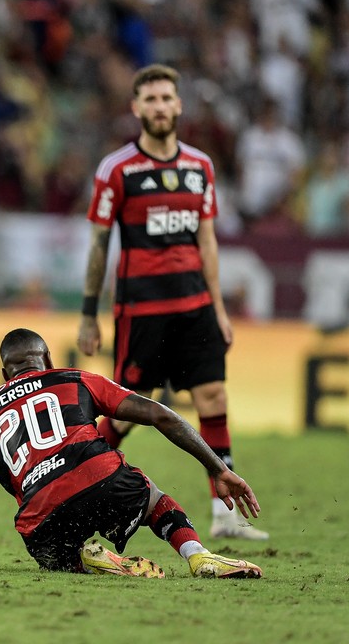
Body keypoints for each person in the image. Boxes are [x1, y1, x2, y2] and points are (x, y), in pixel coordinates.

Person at [0, 328, 264, 579]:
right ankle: (197, 556)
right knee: (153, 498)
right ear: (48, 360)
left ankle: (84, 560)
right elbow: (162, 416)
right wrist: (217, 469)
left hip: (41, 521)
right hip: (103, 481)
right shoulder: (75, 378)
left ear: (5, 374)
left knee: (53, 556)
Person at [76, 63, 268, 540]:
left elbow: (207, 241)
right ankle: (73, 486)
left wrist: (219, 309)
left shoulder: (199, 167)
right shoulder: (117, 169)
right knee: (126, 411)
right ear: (136, 108)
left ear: (179, 106)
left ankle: (225, 516)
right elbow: (99, 245)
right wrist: (88, 314)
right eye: (151, 99)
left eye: (167, 98)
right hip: (141, 310)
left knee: (214, 397)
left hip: (196, 305)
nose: (160, 107)